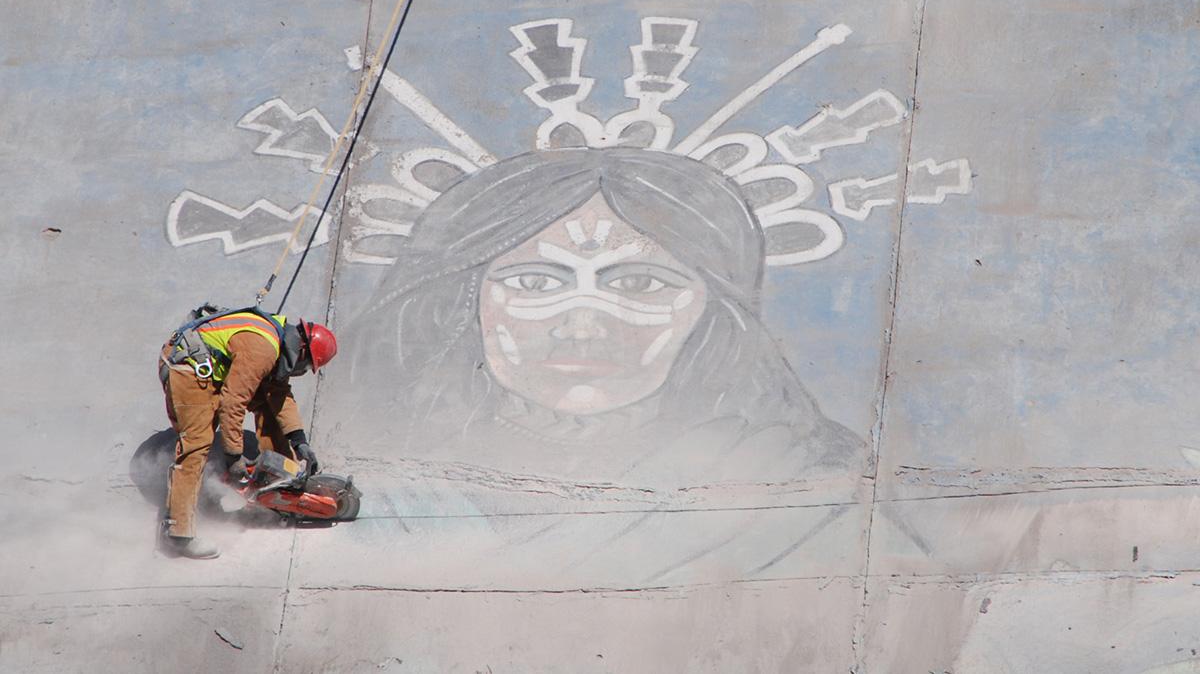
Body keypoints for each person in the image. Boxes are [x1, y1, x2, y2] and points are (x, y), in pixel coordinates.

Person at [343, 147, 861, 488]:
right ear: (464, 301)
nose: (582, 328)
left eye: (639, 283)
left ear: (712, 311)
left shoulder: (810, 483)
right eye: (536, 282)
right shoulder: (366, 470)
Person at [157, 307, 337, 558]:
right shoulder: (263, 349)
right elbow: (233, 402)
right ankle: (178, 535)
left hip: (206, 368)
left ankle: (278, 488)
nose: (302, 372)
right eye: (306, 367)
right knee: (196, 445)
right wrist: (234, 456)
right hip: (187, 369)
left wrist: (300, 442)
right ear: (302, 351)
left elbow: (279, 396)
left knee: (267, 402)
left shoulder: (278, 343)